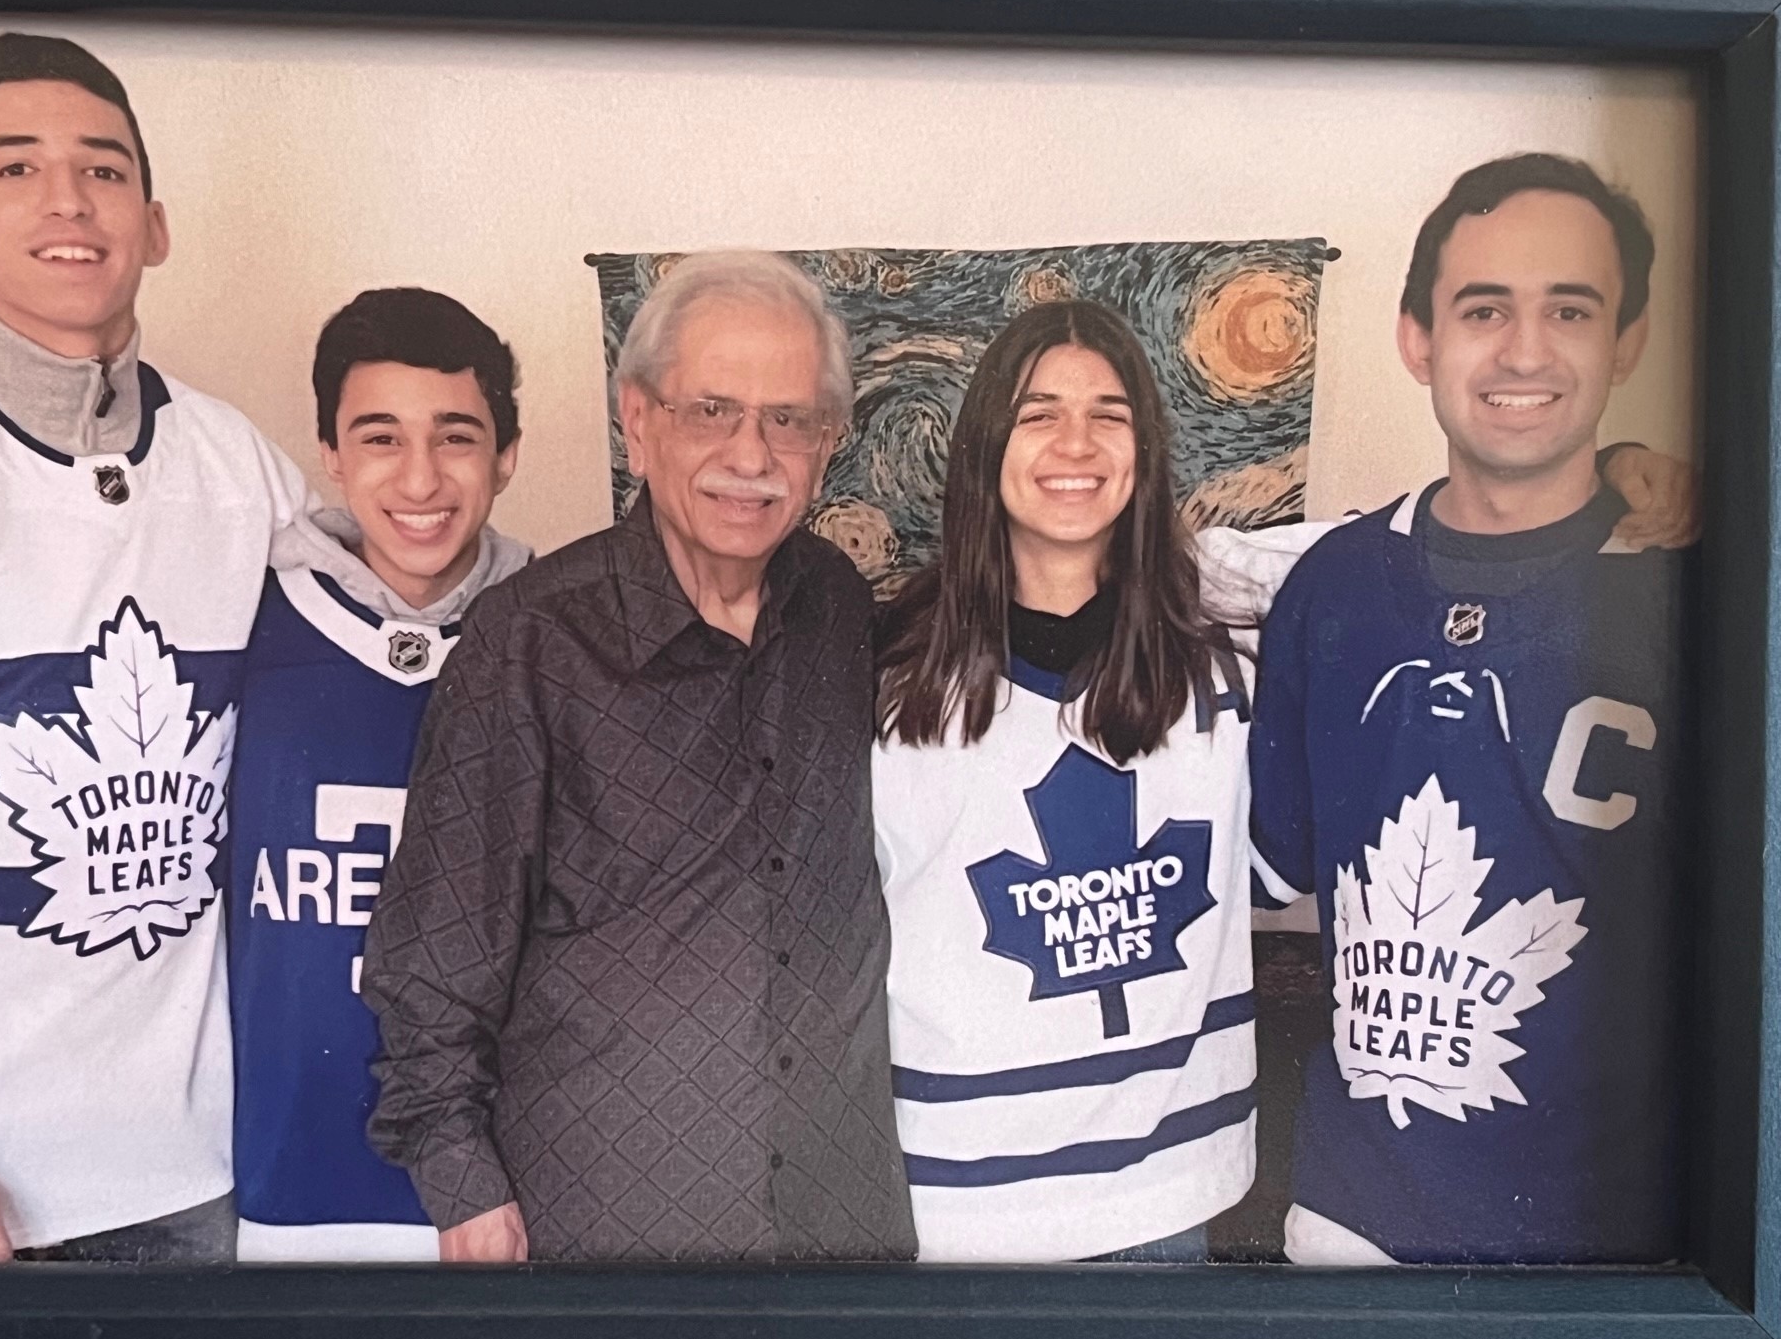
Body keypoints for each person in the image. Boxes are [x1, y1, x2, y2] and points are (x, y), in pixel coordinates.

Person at [0, 32, 306, 1262]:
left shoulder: (239, 467)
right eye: (17, 169)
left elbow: (397, 636)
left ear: (155, 219)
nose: (68, 201)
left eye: (102, 168)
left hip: (195, 1168)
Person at [360, 250, 918, 1262]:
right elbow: (433, 957)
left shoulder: (837, 606)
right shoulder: (527, 643)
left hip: (843, 1226)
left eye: (790, 420)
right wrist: (462, 1190)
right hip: (606, 1233)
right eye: (713, 410)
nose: (751, 455)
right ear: (640, 417)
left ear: (827, 445)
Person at [1250, 154, 1692, 1264]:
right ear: (1418, 338)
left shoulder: (1705, 589)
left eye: (1571, 309)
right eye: (1484, 308)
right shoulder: (1333, 585)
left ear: (1626, 340)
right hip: (1358, 1212)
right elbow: (1277, 861)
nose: (1526, 351)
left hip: (1620, 1232)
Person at [871, 299, 1305, 1262]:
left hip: (1164, 1192)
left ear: (1145, 451)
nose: (1077, 442)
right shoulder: (887, 686)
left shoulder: (1226, 672)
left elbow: (1360, 565)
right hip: (956, 1199)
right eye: (1038, 413)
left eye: (1110, 414)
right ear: (986, 446)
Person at [225, 288, 530, 1261]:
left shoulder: (558, 639)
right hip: (287, 1176)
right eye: (380, 437)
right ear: (330, 456)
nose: (421, 478)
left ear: (506, 456)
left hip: (504, 1194)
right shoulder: (241, 616)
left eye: (456, 436)